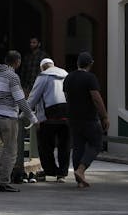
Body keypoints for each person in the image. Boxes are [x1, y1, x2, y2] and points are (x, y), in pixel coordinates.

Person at [0, 50, 38, 192]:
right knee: (11, 150)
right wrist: (32, 117)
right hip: (8, 116)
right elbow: (20, 99)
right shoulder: (12, 76)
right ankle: (4, 181)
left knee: (5, 147)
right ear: (18, 62)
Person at [63, 52, 109, 189]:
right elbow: (96, 98)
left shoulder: (68, 77)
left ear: (78, 63)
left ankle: (80, 181)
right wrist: (104, 116)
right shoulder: (90, 78)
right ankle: (81, 170)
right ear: (90, 64)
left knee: (78, 147)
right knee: (97, 144)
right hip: (89, 118)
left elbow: (66, 96)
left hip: (73, 118)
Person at [27, 58, 69, 183]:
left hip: (49, 116)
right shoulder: (66, 75)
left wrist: (24, 113)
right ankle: (62, 173)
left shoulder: (43, 76)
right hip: (67, 115)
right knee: (64, 146)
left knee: (45, 145)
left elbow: (33, 97)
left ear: (42, 68)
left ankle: (51, 170)